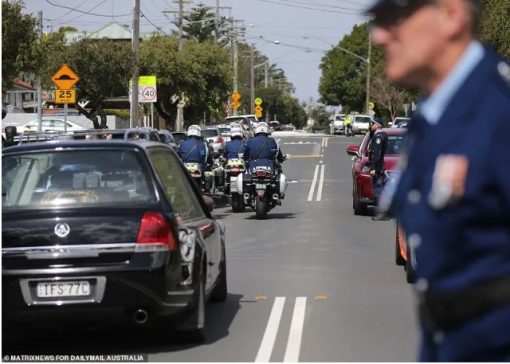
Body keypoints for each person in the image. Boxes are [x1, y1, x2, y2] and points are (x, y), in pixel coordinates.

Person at [367, 0, 510, 361]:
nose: (379, 35)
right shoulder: (432, 116)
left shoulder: (500, 112)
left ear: (450, 15)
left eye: (393, 19)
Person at [366, 119, 388, 220]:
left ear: (378, 125)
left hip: (378, 166)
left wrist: (374, 168)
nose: (371, 125)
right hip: (378, 165)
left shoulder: (379, 137)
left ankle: (382, 213)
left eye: (373, 123)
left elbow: (377, 154)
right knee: (378, 189)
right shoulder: (377, 135)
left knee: (378, 190)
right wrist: (371, 132)